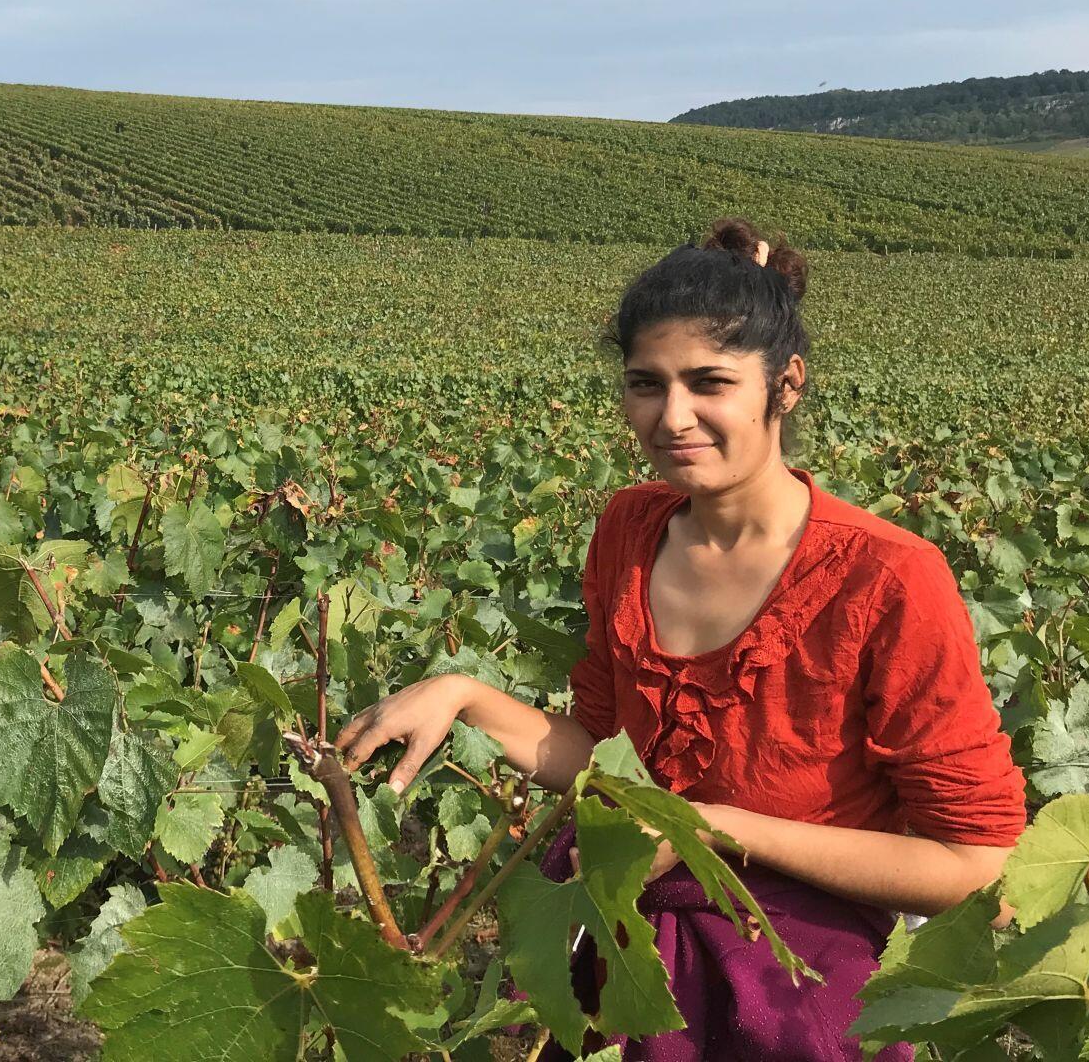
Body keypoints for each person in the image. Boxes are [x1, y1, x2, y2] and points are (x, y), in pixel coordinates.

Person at [335, 220, 1024, 1061]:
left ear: (788, 384)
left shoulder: (886, 578)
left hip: (794, 970)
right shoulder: (629, 529)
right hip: (621, 927)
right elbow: (603, 758)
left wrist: (719, 829)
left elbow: (973, 860)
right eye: (645, 384)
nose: (673, 417)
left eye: (710, 382)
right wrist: (463, 695)